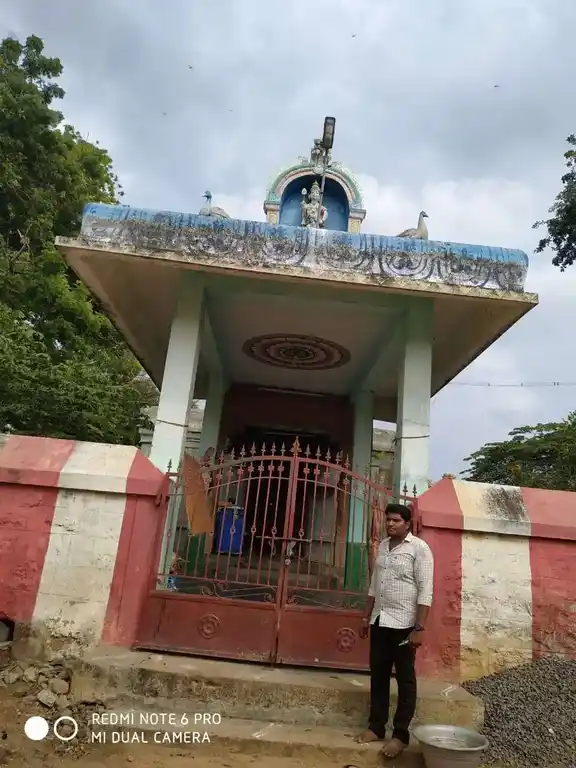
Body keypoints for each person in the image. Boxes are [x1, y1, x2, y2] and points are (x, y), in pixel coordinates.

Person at [355, 502, 434, 760]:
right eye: (388, 520)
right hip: (380, 621)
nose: (390, 524)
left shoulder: (419, 550)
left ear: (408, 524)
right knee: (378, 675)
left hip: (404, 625)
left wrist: (419, 628)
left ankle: (400, 735)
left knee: (405, 680)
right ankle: (376, 727)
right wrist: (366, 615)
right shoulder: (384, 548)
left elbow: (426, 591)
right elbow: (373, 586)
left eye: (396, 520)